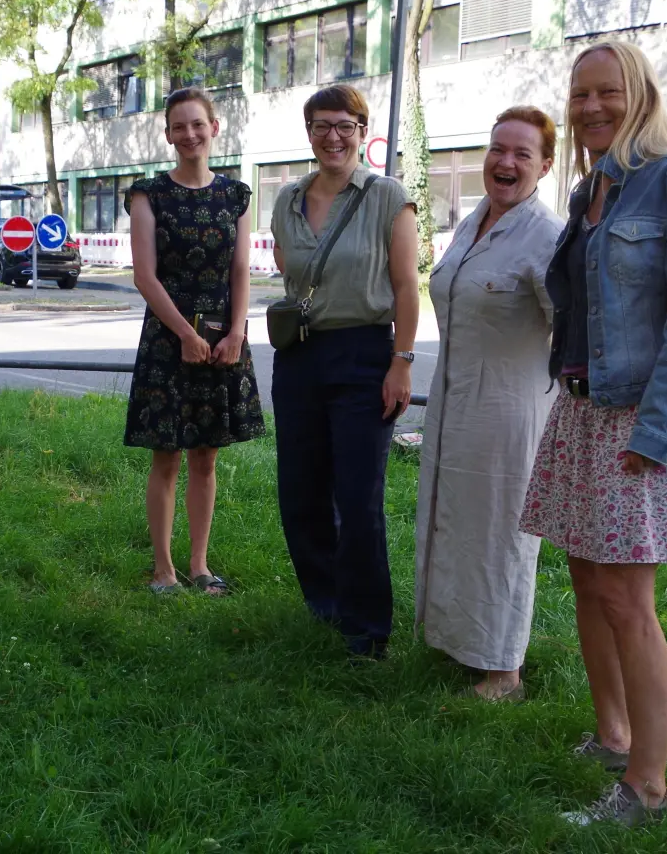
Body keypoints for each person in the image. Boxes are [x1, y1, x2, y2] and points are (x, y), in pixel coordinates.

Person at [520, 40, 667, 826]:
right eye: (581, 96)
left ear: (640, 94)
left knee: (627, 598)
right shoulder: (589, 191)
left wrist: (659, 433)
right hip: (580, 409)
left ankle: (647, 786)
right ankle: (613, 734)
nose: (593, 107)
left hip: (638, 415)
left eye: (608, 93)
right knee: (584, 575)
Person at [413, 107, 563, 701]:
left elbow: (571, 330)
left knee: (501, 535)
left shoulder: (547, 237)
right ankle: (458, 642)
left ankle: (504, 669)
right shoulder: (473, 221)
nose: (505, 162)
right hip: (453, 408)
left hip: (507, 415)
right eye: (498, 149)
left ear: (545, 165)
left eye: (522, 154)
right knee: (455, 525)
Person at [271, 84, 420, 658]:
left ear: (362, 131)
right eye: (321, 125)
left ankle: (367, 626)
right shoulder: (286, 199)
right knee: (300, 489)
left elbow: (407, 287)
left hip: (364, 355)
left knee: (358, 496)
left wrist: (400, 363)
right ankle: (325, 602)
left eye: (345, 126)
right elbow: (289, 266)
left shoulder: (388, 196)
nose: (332, 136)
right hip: (301, 355)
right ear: (308, 132)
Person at [124, 86, 266, 595]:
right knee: (167, 455)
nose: (189, 134)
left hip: (223, 338)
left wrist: (236, 333)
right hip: (169, 339)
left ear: (214, 128)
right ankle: (163, 569)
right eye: (178, 127)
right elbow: (145, 276)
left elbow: (241, 270)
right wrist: (184, 333)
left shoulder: (235, 195)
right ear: (167, 135)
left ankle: (200, 566)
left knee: (206, 456)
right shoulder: (149, 194)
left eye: (197, 124)